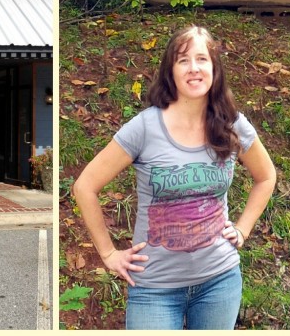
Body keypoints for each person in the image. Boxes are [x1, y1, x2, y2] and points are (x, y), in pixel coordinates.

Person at [72, 25, 276, 330]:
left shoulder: (233, 124)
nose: (194, 68)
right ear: (171, 71)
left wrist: (243, 229)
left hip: (219, 281)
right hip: (154, 288)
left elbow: (266, 176)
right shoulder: (144, 127)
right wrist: (109, 253)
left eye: (201, 59)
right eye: (183, 60)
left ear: (214, 68)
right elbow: (85, 186)